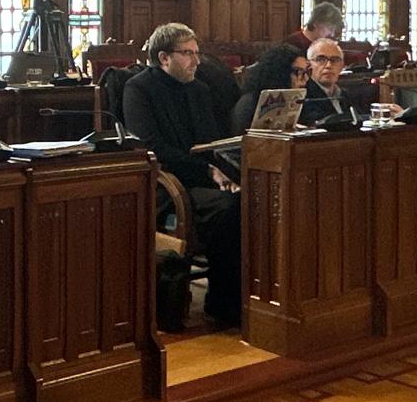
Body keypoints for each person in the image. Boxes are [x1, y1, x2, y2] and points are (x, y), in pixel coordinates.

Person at [120, 23, 241, 327]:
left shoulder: (199, 89)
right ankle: (223, 303)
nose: (196, 61)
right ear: (164, 58)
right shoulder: (138, 89)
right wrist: (207, 171)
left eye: (197, 53)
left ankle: (245, 296)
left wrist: (226, 171)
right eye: (187, 53)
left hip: (203, 179)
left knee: (253, 199)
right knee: (230, 209)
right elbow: (151, 147)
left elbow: (211, 142)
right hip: (165, 186)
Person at [231, 43, 310, 132]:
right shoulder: (249, 103)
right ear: (281, 72)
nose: (305, 78)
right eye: (298, 72)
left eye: (306, 72)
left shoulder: (300, 98)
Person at [300, 37, 351, 125]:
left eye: (335, 60)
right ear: (309, 65)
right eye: (321, 59)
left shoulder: (346, 95)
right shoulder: (304, 97)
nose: (328, 65)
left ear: (342, 66)